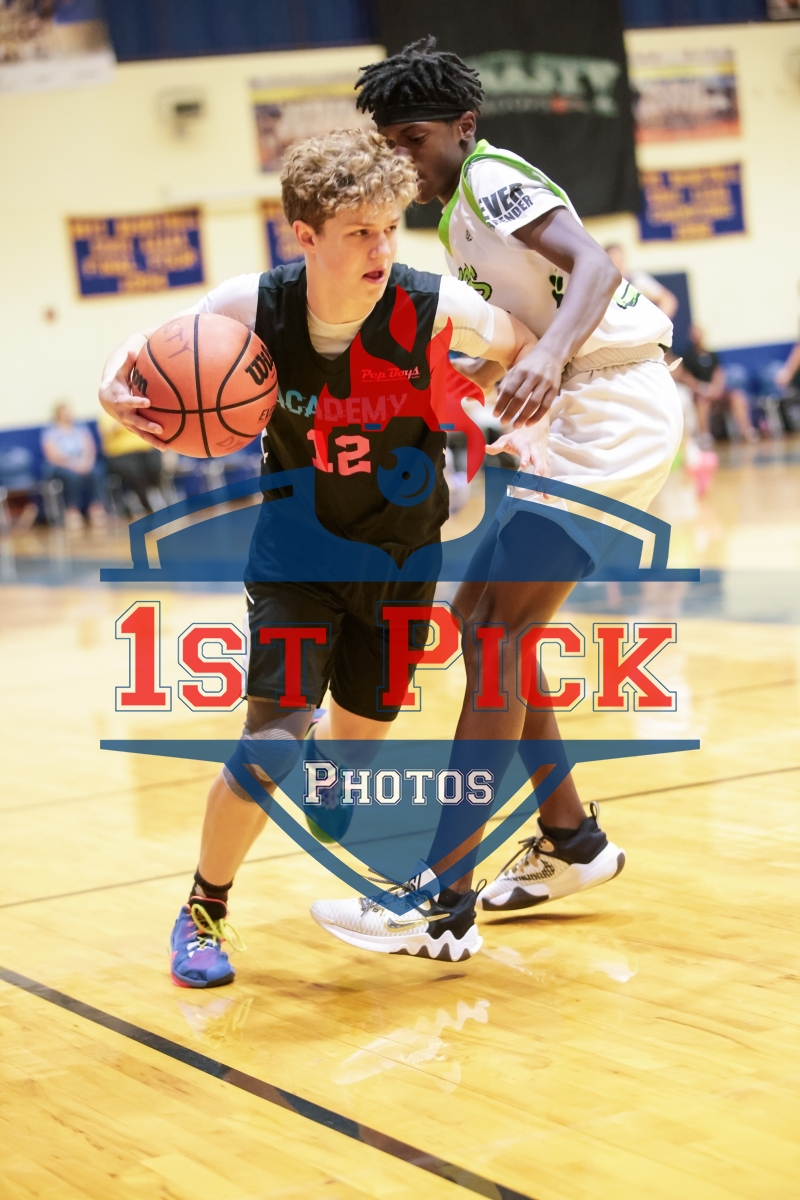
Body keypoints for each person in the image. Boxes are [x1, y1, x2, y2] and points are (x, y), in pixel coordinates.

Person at [99, 128, 546, 983]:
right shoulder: (250, 306)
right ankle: (204, 909)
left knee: (357, 745)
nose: (382, 248)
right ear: (305, 235)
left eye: (390, 228)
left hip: (403, 560)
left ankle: (332, 777)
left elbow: (523, 346)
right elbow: (139, 358)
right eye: (360, 232)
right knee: (271, 741)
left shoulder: (430, 304)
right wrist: (108, 390)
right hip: (296, 559)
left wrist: (493, 407)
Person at [307, 37, 685, 956]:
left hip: (615, 407)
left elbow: (593, 268)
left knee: (496, 633)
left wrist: (549, 356)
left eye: (412, 139)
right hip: (587, 403)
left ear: (462, 127)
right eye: (388, 143)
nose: (401, 159)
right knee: (482, 621)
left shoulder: (489, 177)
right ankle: (570, 839)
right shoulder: (456, 217)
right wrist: (472, 380)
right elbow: (531, 319)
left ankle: (441, 899)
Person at [678, 325, 756, 446]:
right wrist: (701, 388)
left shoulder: (712, 354)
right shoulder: (687, 356)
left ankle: (746, 431)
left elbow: (718, 373)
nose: (696, 336)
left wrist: (716, 388)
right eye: (694, 333)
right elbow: (686, 377)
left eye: (698, 332)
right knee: (703, 401)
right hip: (699, 392)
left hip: (715, 390)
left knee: (737, 396)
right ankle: (704, 435)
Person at [41, 402, 106, 530]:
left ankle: (96, 506)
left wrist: (86, 462)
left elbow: (90, 449)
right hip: (63, 465)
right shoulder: (51, 432)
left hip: (83, 462)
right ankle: (72, 510)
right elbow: (53, 456)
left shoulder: (80, 429)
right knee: (72, 477)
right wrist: (73, 465)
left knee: (97, 471)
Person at [98, 414, 166, 515]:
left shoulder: (137, 412)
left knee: (154, 463)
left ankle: (155, 491)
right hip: (121, 454)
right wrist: (125, 419)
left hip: (143, 450)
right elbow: (111, 430)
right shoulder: (107, 416)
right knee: (133, 471)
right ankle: (144, 500)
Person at [604, 244, 678, 320]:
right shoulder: (602, 286)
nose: (617, 261)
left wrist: (656, 321)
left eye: (619, 258)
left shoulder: (638, 279)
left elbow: (668, 300)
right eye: (613, 258)